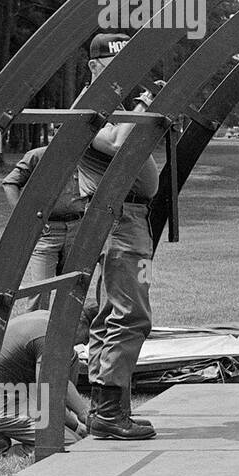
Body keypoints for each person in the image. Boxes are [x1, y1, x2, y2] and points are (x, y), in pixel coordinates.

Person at [77, 32, 161, 441]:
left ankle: (107, 409)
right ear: (94, 67)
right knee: (132, 315)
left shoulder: (115, 107)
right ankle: (109, 411)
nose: (126, 71)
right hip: (118, 221)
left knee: (111, 314)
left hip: (130, 219)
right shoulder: (87, 107)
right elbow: (115, 142)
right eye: (115, 63)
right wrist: (147, 105)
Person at [0, 309, 92, 457]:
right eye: (87, 336)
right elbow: (50, 388)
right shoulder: (49, 337)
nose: (85, 343)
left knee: (71, 357)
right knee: (69, 443)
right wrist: (84, 417)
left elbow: (52, 388)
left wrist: (74, 423)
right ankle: (2, 452)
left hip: (11, 397)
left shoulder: (52, 320)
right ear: (79, 324)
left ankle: (3, 440)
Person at [2, 143, 87, 311]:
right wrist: (25, 219)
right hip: (47, 230)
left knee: (73, 288)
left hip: (78, 227)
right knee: (41, 289)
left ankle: (67, 333)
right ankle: (35, 334)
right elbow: (10, 183)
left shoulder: (86, 155)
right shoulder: (38, 155)